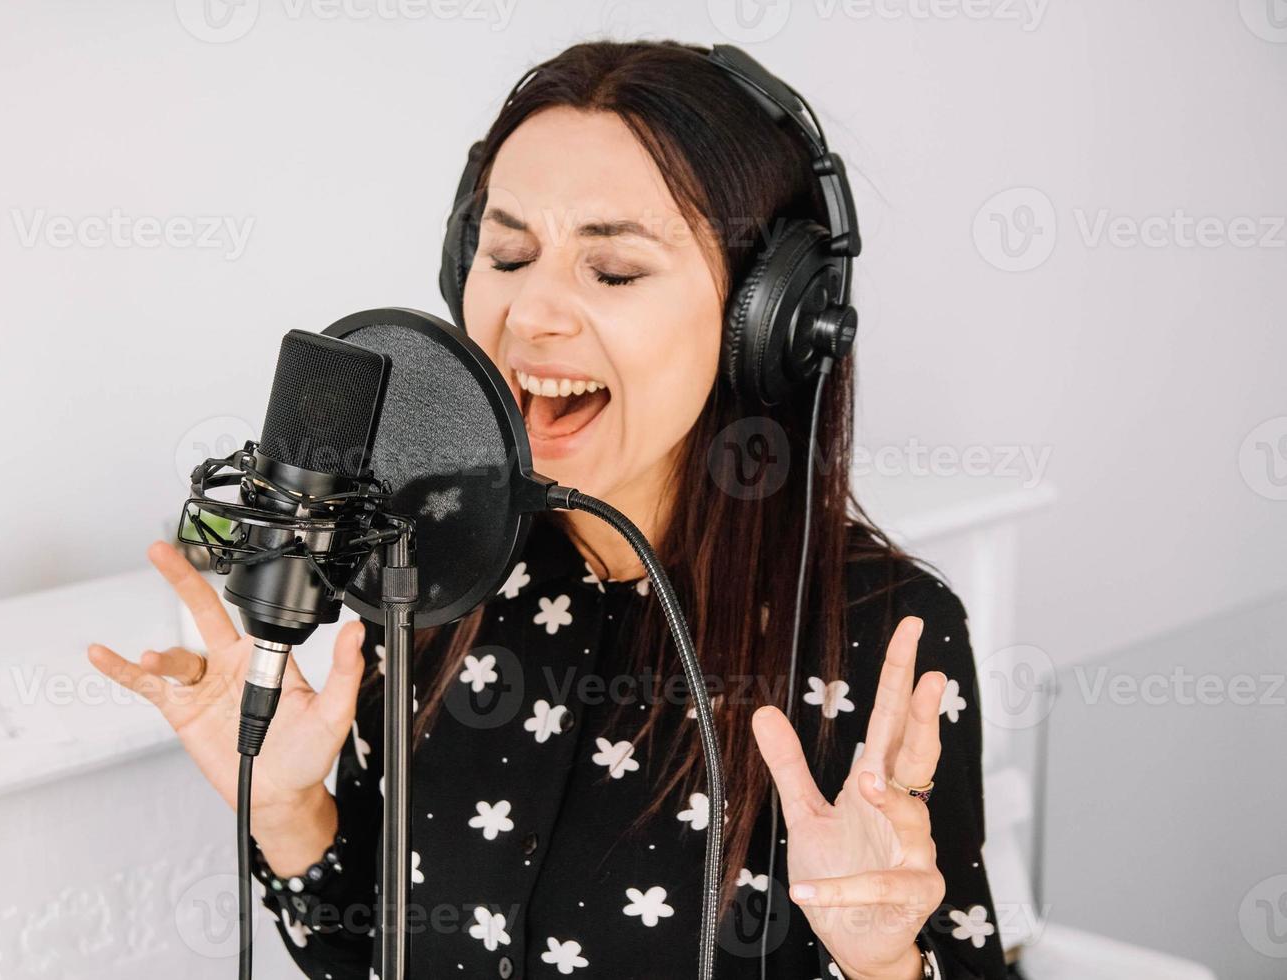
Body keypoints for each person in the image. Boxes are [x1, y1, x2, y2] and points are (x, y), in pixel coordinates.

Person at [89, 39, 1006, 980]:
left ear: (765, 322)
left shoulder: (885, 631)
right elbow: (361, 957)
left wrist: (880, 961)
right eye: (510, 253)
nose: (531, 314)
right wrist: (288, 812)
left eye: (612, 273)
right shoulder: (425, 557)